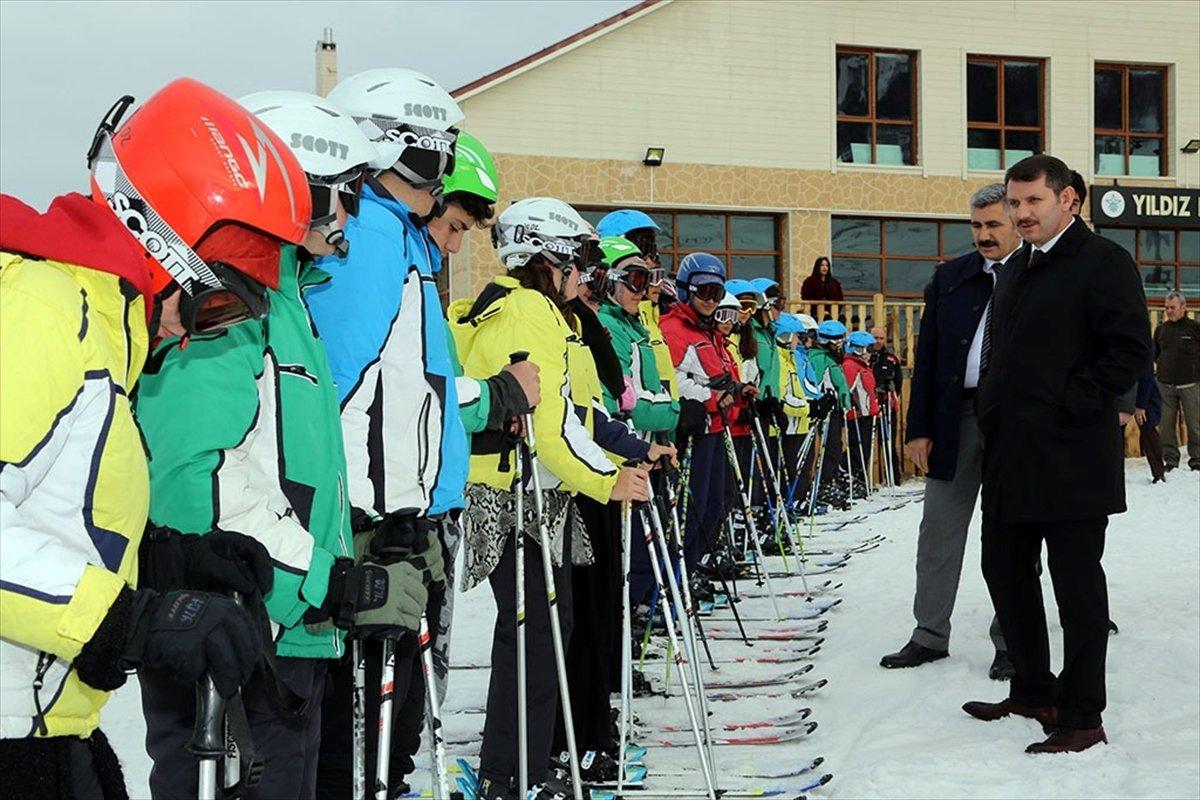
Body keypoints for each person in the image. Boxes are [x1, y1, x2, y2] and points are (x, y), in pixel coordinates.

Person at [1, 78, 294, 799]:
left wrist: (166, 564)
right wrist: (134, 621)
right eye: (215, 301)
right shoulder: (43, 314)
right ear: (161, 239)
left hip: (46, 723)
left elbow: (53, 510)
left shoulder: (106, 332)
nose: (200, 335)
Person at [131, 90, 409, 800]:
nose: (347, 218)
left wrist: (345, 557)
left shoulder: (288, 301)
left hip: (286, 634)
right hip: (235, 635)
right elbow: (195, 478)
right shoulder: (227, 297)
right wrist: (322, 580)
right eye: (338, 196)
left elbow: (289, 468)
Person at [306, 69, 537, 797]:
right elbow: (351, 392)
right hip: (377, 527)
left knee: (396, 733)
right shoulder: (373, 238)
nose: (453, 239)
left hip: (411, 517)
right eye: (428, 161)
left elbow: (418, 388)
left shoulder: (398, 243)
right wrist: (384, 515)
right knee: (369, 739)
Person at [449, 197, 650, 798]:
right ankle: (512, 774)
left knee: (536, 633)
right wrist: (606, 480)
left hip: (513, 490)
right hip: (515, 495)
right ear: (547, 256)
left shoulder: (513, 306)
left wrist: (615, 455)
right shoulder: (531, 310)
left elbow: (564, 413)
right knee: (536, 636)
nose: (586, 272)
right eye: (580, 257)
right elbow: (550, 421)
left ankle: (518, 767)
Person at [970, 154, 1152, 754]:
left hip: (1071, 457)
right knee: (1005, 570)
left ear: (1068, 200)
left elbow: (1127, 353)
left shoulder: (1103, 263)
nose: (1020, 214)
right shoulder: (1017, 266)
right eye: (1014, 204)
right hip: (1010, 454)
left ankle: (1080, 716)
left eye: (1032, 203)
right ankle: (1032, 690)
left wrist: (1065, 403)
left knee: (1076, 589)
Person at [881, 183, 1017, 677]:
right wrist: (918, 428)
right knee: (937, 529)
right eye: (977, 226)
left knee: (1010, 535)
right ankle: (929, 635)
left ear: (1016, 221)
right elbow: (930, 353)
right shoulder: (950, 279)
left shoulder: (1037, 275)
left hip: (1016, 425)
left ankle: (1012, 640)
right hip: (955, 419)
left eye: (993, 225)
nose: (983, 235)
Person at [661, 253, 752, 570]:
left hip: (715, 428)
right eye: (704, 292)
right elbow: (673, 379)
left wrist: (736, 393)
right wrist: (711, 399)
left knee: (715, 504)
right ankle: (680, 570)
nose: (710, 300)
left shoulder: (707, 332)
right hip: (694, 431)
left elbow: (715, 373)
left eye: (716, 292)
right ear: (686, 289)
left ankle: (696, 563)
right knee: (694, 505)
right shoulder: (674, 328)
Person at [596, 210, 676, 405]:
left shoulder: (653, 310)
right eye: (641, 248)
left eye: (652, 250)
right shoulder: (608, 316)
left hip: (658, 421)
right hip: (642, 420)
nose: (648, 260)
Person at [1154, 291, 1200, 471]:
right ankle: (1170, 459)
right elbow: (1155, 354)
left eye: (1173, 308)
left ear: (1183, 307)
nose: (1169, 311)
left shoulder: (1194, 328)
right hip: (1165, 385)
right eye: (1166, 308)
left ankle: (1197, 458)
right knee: (1166, 425)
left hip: (1191, 384)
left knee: (1194, 424)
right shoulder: (1161, 330)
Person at [808, 320, 852, 508]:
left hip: (834, 408)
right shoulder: (819, 357)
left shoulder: (832, 359)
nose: (840, 346)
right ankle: (825, 483)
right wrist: (822, 398)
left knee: (836, 445)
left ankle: (831, 479)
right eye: (837, 342)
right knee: (830, 446)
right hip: (825, 409)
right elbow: (814, 381)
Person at [843, 331, 879, 494]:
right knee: (858, 449)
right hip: (858, 415)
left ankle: (860, 480)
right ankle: (853, 478)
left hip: (866, 413)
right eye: (869, 349)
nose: (871, 353)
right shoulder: (850, 366)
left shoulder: (862, 366)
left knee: (864, 449)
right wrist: (853, 408)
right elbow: (848, 389)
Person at [869, 327, 903, 482]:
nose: (878, 341)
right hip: (867, 406)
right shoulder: (865, 356)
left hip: (886, 405)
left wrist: (891, 396)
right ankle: (863, 479)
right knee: (865, 443)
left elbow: (899, 383)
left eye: (881, 338)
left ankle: (894, 479)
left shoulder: (891, 359)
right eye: (875, 337)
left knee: (888, 443)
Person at [1135, 371, 1166, 483]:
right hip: (1128, 391)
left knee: (1149, 433)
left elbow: (1146, 377)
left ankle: (1158, 472)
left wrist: (1141, 405)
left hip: (1144, 396)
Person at [800, 255, 844, 320]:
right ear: (817, 267)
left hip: (831, 315)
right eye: (822, 265)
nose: (824, 267)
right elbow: (805, 297)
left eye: (826, 265)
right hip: (813, 315)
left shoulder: (834, 283)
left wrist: (829, 312)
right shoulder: (809, 282)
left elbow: (839, 298)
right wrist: (819, 311)